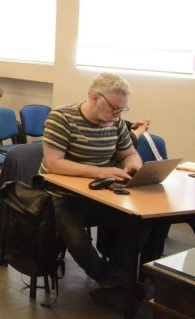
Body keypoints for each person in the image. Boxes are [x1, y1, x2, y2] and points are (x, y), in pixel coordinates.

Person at [40, 73, 144, 307]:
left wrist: (133, 165)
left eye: (122, 110)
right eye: (114, 108)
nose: (118, 114)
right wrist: (100, 171)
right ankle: (113, 281)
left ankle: (115, 281)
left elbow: (129, 153)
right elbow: (55, 164)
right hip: (61, 195)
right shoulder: (61, 118)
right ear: (96, 98)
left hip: (100, 193)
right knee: (77, 240)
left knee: (139, 222)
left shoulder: (115, 122)